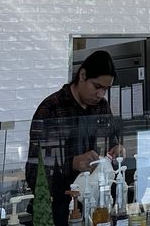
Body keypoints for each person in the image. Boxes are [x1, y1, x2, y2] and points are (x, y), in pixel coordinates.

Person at [26, 50, 122, 226]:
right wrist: (71, 163)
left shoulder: (102, 108)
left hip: (96, 205)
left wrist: (116, 150)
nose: (101, 94)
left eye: (106, 89)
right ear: (82, 75)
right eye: (97, 86)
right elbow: (35, 173)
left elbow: (112, 141)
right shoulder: (52, 109)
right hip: (58, 210)